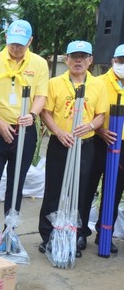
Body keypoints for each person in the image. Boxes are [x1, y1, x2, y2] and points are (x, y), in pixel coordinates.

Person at [38, 41, 107, 258]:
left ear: (90, 60)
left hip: (85, 145)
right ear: (66, 59)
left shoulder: (97, 85)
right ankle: (48, 235)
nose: (78, 60)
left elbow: (101, 115)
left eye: (83, 56)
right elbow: (45, 112)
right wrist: (59, 132)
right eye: (74, 56)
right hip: (61, 144)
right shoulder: (55, 83)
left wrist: (91, 126)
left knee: (83, 191)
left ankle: (77, 234)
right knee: (53, 191)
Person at [0, 20, 49, 218]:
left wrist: (32, 115)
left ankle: (10, 230)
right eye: (13, 42)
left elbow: (41, 96)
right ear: (6, 38)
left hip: (25, 131)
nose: (16, 47)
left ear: (30, 41)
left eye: (21, 43)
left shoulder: (39, 63)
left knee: (16, 182)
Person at [90, 43, 124, 254]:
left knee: (115, 189)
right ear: (113, 61)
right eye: (121, 61)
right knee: (88, 186)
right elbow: (91, 111)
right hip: (100, 139)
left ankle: (105, 234)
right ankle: (80, 233)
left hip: (122, 145)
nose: (123, 65)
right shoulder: (99, 82)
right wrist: (101, 130)